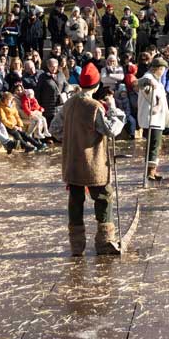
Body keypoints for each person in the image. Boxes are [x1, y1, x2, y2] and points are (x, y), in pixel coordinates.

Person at [56, 60, 125, 256]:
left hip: (72, 162)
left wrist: (72, 138)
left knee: (75, 200)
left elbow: (55, 129)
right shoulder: (94, 106)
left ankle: (76, 245)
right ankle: (104, 241)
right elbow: (111, 130)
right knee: (103, 197)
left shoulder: (69, 103)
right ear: (96, 85)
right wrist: (113, 109)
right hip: (93, 163)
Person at [137, 57, 169, 182]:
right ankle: (150, 172)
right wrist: (148, 81)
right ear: (157, 69)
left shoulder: (157, 80)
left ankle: (152, 170)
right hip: (152, 118)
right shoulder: (149, 78)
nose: (163, 72)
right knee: (153, 145)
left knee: (155, 145)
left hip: (157, 118)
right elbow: (140, 83)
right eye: (162, 69)